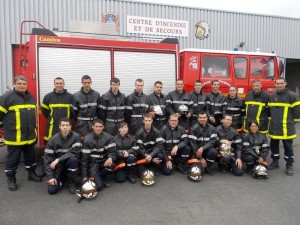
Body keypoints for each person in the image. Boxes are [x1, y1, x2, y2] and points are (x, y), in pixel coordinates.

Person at [0, 75, 42, 191]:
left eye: (24, 84)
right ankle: (11, 179)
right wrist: (6, 128)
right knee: (13, 159)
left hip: (29, 136)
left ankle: (31, 173)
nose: (22, 86)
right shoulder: (6, 97)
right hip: (14, 137)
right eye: (19, 84)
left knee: (30, 157)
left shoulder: (30, 97)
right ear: (15, 84)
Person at [268, 77, 300, 175]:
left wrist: (291, 122)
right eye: (277, 83)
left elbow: (296, 111)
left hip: (287, 127)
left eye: (281, 83)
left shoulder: (292, 96)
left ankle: (289, 165)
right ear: (275, 84)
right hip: (274, 126)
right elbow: (270, 111)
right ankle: (275, 162)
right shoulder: (272, 96)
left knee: (288, 147)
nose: (279, 85)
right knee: (274, 146)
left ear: (285, 83)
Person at [44, 118, 82, 194]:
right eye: (63, 125)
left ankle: (71, 182)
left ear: (70, 126)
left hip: (69, 163)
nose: (65, 127)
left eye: (67, 125)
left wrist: (58, 159)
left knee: (73, 159)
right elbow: (47, 160)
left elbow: (75, 152)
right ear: (59, 126)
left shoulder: (76, 137)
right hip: (58, 167)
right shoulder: (52, 140)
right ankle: (61, 179)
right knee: (52, 190)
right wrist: (51, 177)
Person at [81, 119, 116, 189]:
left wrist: (110, 158)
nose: (98, 128)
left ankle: (102, 177)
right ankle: (97, 177)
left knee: (111, 165)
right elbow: (84, 160)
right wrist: (84, 177)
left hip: (104, 161)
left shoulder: (108, 137)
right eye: (96, 126)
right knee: (99, 186)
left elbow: (112, 151)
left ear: (103, 127)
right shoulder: (86, 139)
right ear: (92, 127)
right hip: (93, 164)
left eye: (100, 126)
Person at [41, 77, 73, 143]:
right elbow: (44, 112)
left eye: (61, 83)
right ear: (54, 84)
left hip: (66, 126)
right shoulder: (48, 97)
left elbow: (73, 112)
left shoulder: (70, 97)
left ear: (64, 84)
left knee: (66, 144)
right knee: (51, 145)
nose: (59, 85)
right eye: (57, 83)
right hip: (51, 127)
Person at [188, 111, 218, 175]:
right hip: (196, 152)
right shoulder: (193, 129)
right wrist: (201, 158)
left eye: (204, 117)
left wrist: (202, 148)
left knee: (214, 151)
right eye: (200, 118)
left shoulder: (212, 128)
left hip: (206, 150)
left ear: (207, 118)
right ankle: (202, 166)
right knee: (199, 171)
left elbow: (213, 141)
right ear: (198, 119)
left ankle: (208, 167)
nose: (202, 119)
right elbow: (193, 145)